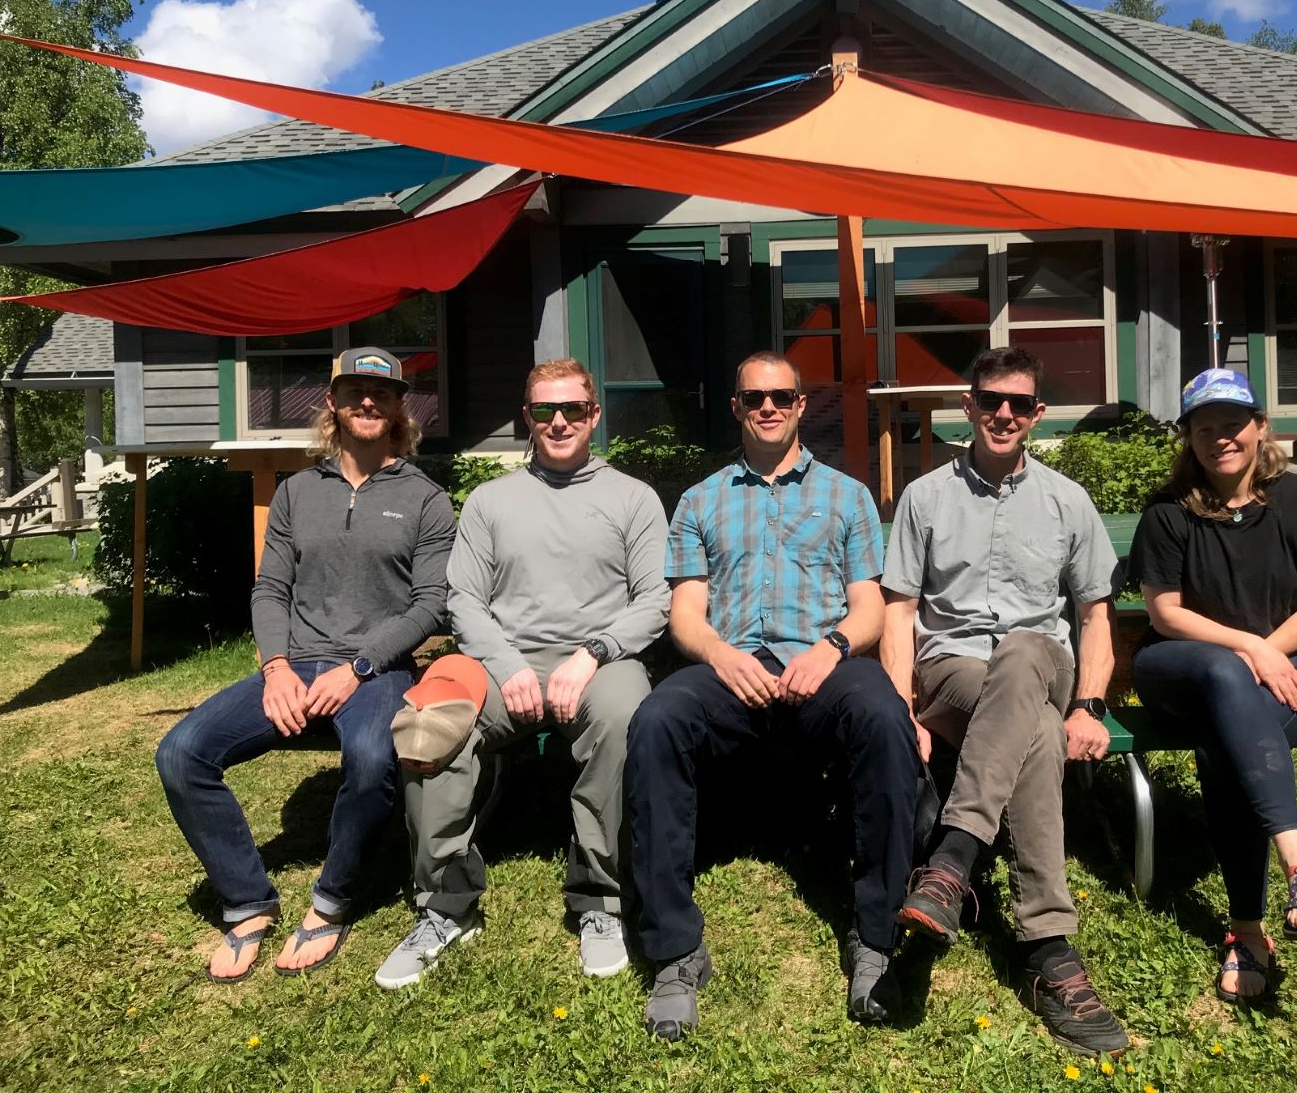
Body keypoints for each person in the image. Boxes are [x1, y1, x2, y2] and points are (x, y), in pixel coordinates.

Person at [626, 351, 919, 1040]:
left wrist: (834, 648)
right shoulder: (701, 500)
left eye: (781, 397)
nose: (767, 407)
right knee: (657, 719)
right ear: (736, 406)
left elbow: (869, 606)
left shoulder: (846, 496)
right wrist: (722, 656)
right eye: (753, 397)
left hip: (823, 663)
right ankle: (673, 950)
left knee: (883, 716)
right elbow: (686, 615)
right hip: (733, 667)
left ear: (799, 405)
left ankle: (875, 937)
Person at [156, 347, 455, 981]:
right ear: (332, 403)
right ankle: (246, 902)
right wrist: (277, 669)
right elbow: (270, 591)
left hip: (380, 671)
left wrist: (363, 666)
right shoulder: (297, 491)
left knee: (373, 759)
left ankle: (331, 901)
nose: (366, 402)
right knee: (182, 753)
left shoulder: (427, 499)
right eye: (353, 391)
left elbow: (432, 603)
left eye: (380, 392)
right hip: (296, 666)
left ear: (400, 405)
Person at [377, 358, 669, 989]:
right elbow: (463, 600)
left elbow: (654, 601)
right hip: (500, 663)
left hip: (598, 663)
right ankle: (445, 901)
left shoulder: (633, 498)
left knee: (624, 718)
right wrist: (505, 665)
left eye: (571, 409)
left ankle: (600, 899)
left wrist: (591, 653)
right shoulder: (490, 501)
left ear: (594, 415)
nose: (558, 421)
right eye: (544, 410)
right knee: (429, 717)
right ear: (528, 418)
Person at [880, 345, 1130, 1056]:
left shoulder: (1065, 501)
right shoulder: (926, 499)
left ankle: (951, 863)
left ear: (1038, 415)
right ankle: (1050, 952)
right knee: (1040, 738)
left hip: (1042, 664)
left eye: (1019, 403)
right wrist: (903, 704)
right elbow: (899, 612)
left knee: (1022, 652)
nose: (1004, 413)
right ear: (969, 407)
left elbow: (1093, 619)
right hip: (952, 670)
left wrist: (1087, 703)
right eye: (991, 400)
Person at [1128, 368, 1297, 1002]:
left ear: (1259, 428)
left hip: (1285, 673)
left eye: (1233, 424)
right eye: (1204, 428)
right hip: (1178, 666)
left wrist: (1268, 654)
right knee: (1222, 670)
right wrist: (1252, 648)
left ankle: (1247, 933)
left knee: (1222, 750)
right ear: (1188, 438)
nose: (1220, 439)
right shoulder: (1168, 510)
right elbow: (1165, 613)